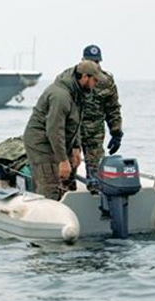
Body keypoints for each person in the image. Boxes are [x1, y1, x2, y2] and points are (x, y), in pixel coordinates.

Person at [23, 60, 105, 200]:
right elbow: (54, 129)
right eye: (95, 80)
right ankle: (47, 215)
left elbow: (75, 122)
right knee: (50, 185)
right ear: (85, 77)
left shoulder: (77, 92)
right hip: (41, 143)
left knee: (65, 181)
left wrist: (76, 147)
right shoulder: (61, 96)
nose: (95, 84)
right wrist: (62, 160)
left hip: (57, 141)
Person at [78, 44, 123, 195]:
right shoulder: (74, 78)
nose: (94, 65)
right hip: (73, 131)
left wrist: (116, 132)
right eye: (91, 62)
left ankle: (97, 200)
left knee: (96, 173)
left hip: (95, 132)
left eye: (96, 62)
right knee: (68, 168)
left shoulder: (106, 81)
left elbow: (113, 108)